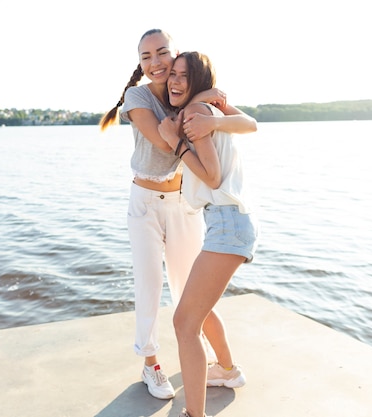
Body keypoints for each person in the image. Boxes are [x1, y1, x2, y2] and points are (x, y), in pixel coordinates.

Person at [100, 29, 256, 400]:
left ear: (175, 56)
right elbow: (163, 139)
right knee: (149, 285)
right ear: (140, 64)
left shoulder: (183, 95)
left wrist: (202, 98)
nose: (155, 63)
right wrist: (203, 97)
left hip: (183, 204)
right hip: (145, 203)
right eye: (145, 57)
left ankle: (224, 365)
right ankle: (150, 362)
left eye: (162, 54)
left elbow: (243, 125)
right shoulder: (138, 97)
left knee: (190, 290)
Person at [158, 51, 258, 417]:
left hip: (227, 222)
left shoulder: (197, 115)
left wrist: (176, 143)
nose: (174, 81)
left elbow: (212, 177)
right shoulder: (202, 109)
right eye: (173, 75)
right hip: (229, 221)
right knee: (198, 308)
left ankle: (193, 414)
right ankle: (227, 372)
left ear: (198, 80)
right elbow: (250, 124)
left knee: (184, 322)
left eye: (184, 76)